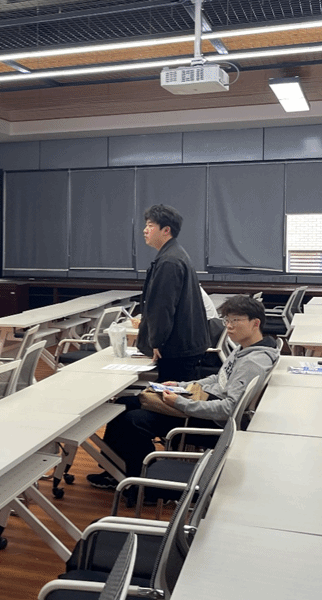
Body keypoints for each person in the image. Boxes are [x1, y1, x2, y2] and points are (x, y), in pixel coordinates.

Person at [89, 295, 279, 492]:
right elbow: (219, 378)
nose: (229, 326)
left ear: (255, 323)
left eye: (235, 320)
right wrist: (182, 385)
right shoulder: (244, 349)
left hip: (211, 422)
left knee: (133, 420)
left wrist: (179, 403)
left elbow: (228, 408)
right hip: (203, 402)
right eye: (227, 320)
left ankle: (143, 486)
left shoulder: (253, 362)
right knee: (125, 403)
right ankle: (114, 470)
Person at [136, 204, 210, 382]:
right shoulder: (174, 254)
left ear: (166, 230)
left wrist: (156, 342)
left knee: (171, 394)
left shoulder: (169, 261)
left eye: (150, 226)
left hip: (176, 347)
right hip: (184, 344)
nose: (145, 230)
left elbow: (163, 307)